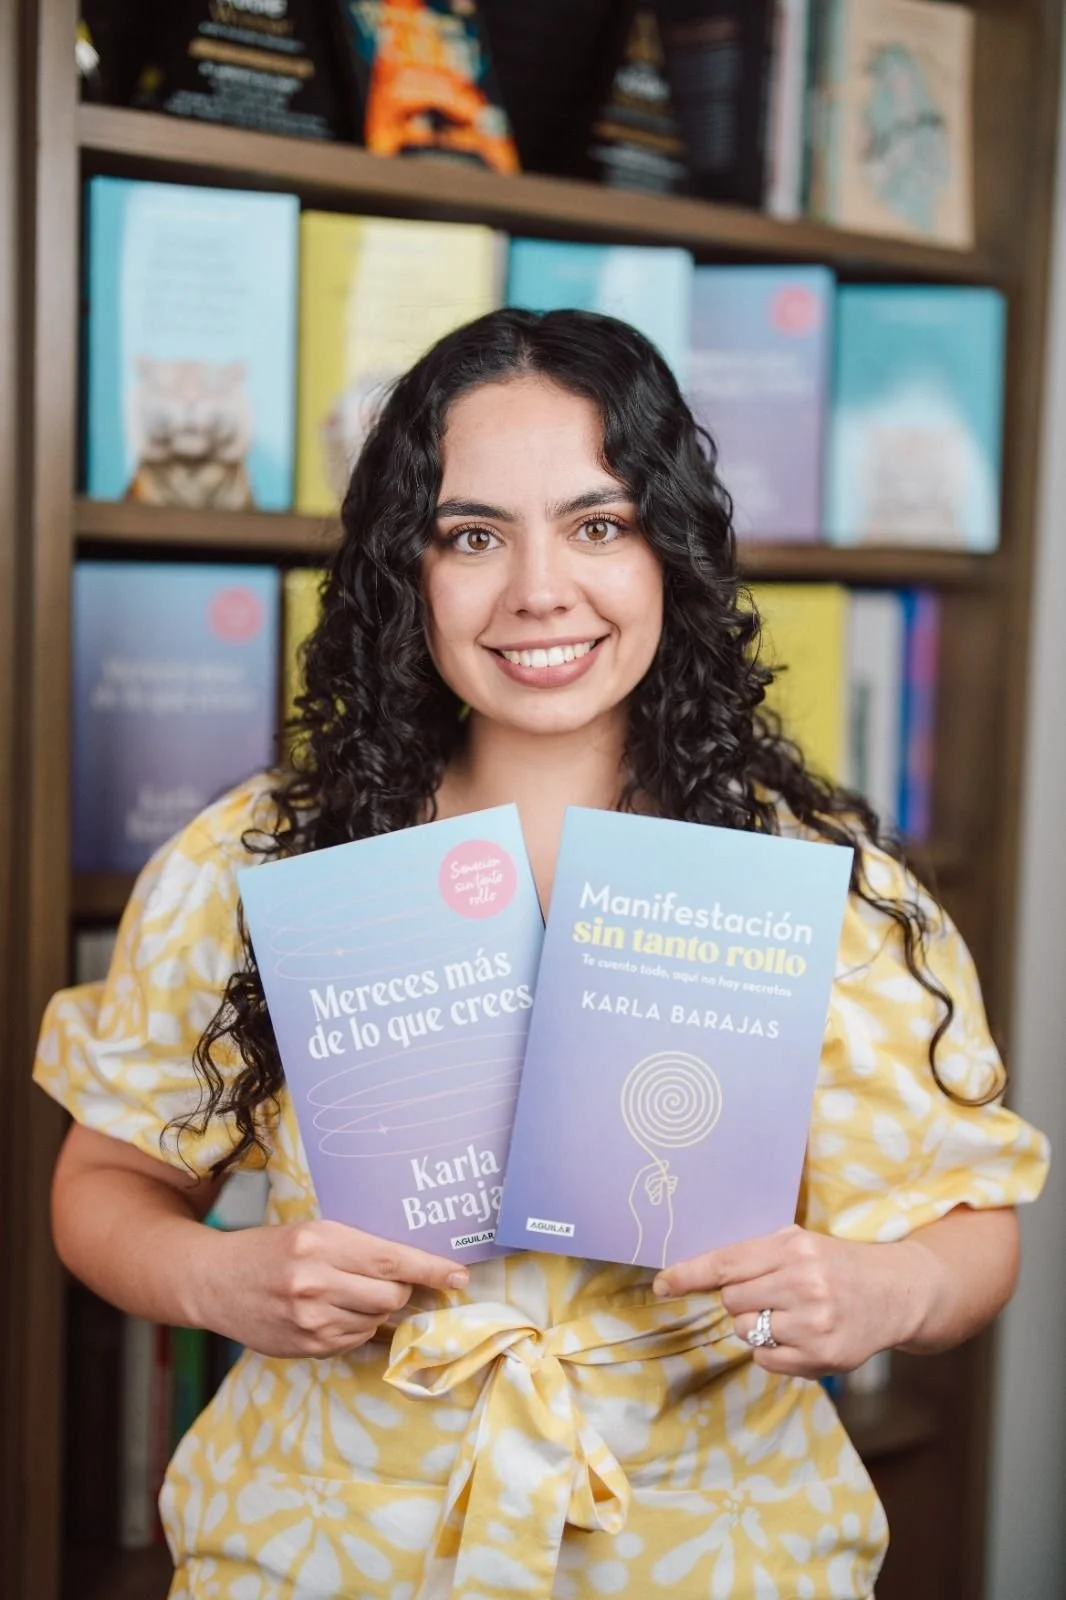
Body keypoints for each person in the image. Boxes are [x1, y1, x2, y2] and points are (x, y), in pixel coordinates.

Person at [36, 309, 1048, 1600]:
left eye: (597, 524)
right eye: (471, 534)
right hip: (321, 1544)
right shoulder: (257, 857)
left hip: (707, 1547)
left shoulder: (822, 881)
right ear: (407, 570)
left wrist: (880, 1293)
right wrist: (215, 1276)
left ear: (668, 552)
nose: (537, 591)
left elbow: (969, 1230)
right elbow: (106, 1183)